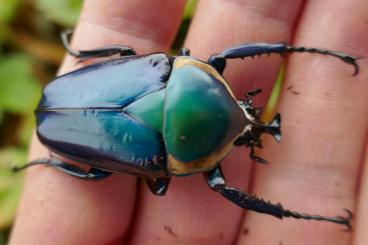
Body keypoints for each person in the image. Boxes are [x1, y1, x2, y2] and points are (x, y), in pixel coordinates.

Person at [9, 0, 368, 244]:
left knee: (131, 66)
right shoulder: (170, 142)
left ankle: (52, 152)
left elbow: (216, 59)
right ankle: (50, 159)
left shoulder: (173, 71)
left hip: (70, 108)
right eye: (245, 108)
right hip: (69, 119)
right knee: (96, 172)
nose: (249, 111)